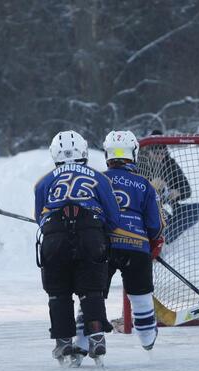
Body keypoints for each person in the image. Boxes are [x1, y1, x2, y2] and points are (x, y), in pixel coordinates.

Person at [73, 130, 165, 358]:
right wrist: (153, 241)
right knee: (141, 295)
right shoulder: (145, 185)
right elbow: (155, 224)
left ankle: (82, 343)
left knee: (93, 295)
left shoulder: (97, 179)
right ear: (133, 153)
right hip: (137, 248)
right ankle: (147, 339)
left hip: (103, 247)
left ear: (107, 154)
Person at [34, 130, 121, 366]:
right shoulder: (100, 178)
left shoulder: (44, 181)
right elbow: (113, 217)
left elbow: (39, 217)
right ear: (83, 151)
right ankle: (96, 335)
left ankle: (63, 341)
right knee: (91, 290)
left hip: (55, 236)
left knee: (59, 293)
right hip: (90, 232)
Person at [139, 129, 199, 244]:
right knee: (161, 216)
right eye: (156, 153)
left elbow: (187, 189)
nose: (160, 156)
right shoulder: (141, 163)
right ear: (149, 151)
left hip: (171, 206)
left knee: (198, 209)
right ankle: (168, 231)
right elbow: (135, 191)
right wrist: (150, 185)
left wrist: (177, 192)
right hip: (151, 209)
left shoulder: (170, 164)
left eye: (162, 153)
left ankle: (170, 230)